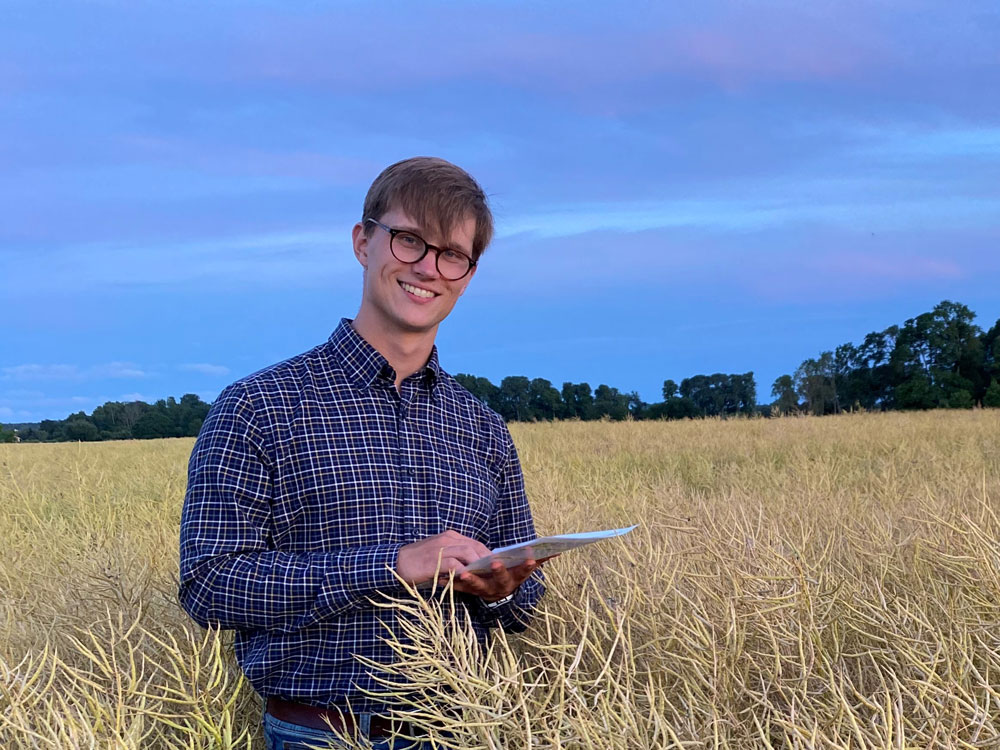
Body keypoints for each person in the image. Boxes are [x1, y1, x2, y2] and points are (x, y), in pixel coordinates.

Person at [178, 157, 546, 749]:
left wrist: (505, 588)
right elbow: (211, 583)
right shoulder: (258, 407)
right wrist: (394, 566)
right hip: (316, 735)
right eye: (408, 241)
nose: (428, 268)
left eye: (452, 254)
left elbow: (524, 604)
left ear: (469, 274)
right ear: (362, 241)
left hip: (458, 731)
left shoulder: (483, 427)